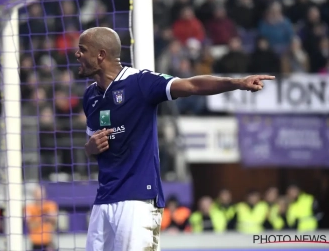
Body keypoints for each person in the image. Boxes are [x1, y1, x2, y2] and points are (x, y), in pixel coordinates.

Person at [76, 27, 274, 251]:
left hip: (137, 200)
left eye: (82, 50)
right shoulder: (90, 97)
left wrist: (236, 83)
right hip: (103, 200)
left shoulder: (140, 83)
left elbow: (191, 85)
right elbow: (92, 146)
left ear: (101, 55)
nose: (77, 55)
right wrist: (90, 148)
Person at [25, 186, 58, 251]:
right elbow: (31, 226)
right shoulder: (29, 208)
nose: (40, 197)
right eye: (38, 195)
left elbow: (54, 220)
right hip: (36, 243)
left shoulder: (51, 205)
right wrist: (43, 218)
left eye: (42, 195)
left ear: (45, 195)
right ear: (34, 196)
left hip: (49, 243)